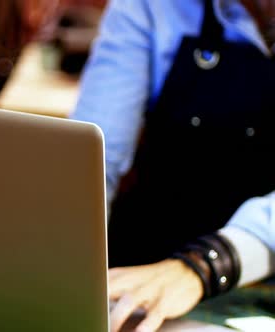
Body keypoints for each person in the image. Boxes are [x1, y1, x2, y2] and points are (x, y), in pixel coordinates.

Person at [72, 0, 275, 331]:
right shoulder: (148, 7)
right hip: (149, 274)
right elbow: (93, 158)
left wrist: (204, 265)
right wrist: (62, 258)